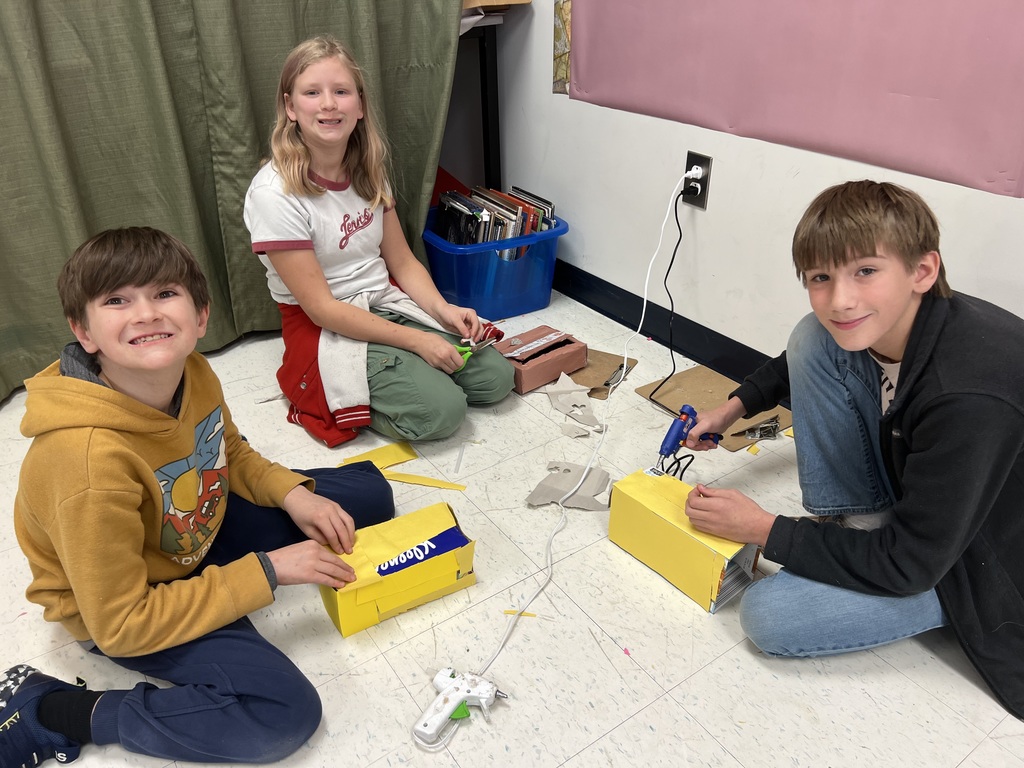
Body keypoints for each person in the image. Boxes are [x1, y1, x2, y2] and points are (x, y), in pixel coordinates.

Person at [3, 227, 396, 765]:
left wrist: (292, 495)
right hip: (131, 604)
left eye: (164, 293)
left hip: (190, 529)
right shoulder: (86, 465)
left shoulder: (190, 369)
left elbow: (226, 451)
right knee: (284, 714)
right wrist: (268, 571)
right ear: (84, 331)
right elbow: (121, 623)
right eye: (117, 300)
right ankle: (60, 711)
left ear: (201, 316)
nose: (146, 314)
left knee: (370, 495)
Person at [683, 180, 1024, 719]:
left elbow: (914, 565)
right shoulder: (913, 320)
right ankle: (860, 534)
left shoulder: (966, 395)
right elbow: (803, 354)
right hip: (942, 514)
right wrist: (731, 409)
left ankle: (864, 549)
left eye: (865, 270)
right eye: (821, 277)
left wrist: (765, 530)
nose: (840, 299)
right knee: (814, 339)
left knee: (768, 617)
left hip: (980, 562)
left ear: (922, 270)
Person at [243, 35, 514, 447]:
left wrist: (444, 311)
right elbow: (321, 309)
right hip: (323, 327)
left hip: (383, 302)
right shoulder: (273, 194)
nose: (329, 104)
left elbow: (403, 264)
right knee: (442, 411)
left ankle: (401, 365)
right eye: (312, 93)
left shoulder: (369, 171)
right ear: (290, 107)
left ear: (361, 105)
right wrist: (417, 341)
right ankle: (334, 391)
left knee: (497, 379)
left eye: (341, 91)